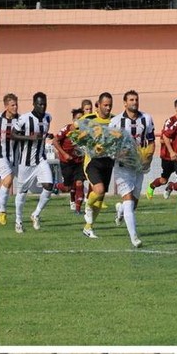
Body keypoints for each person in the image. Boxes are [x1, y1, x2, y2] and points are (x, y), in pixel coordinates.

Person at [110, 90, 155, 248]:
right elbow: (110, 144)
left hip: (138, 167)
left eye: (136, 99)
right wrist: (118, 153)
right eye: (131, 100)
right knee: (129, 202)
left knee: (133, 204)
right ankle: (134, 237)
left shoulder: (147, 119)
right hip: (122, 167)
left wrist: (148, 158)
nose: (134, 102)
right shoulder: (115, 122)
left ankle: (120, 209)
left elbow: (151, 141)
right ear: (124, 103)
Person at [11, 91, 53, 232]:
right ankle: (18, 221)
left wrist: (48, 135)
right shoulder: (24, 119)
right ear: (34, 104)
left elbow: (44, 133)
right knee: (22, 192)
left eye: (44, 104)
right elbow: (13, 134)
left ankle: (35, 214)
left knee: (49, 185)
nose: (43, 107)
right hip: (25, 162)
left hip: (41, 159)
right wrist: (30, 138)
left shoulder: (48, 118)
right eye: (40, 104)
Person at [81, 92, 115, 239]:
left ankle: (88, 227)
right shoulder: (88, 119)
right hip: (93, 162)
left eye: (110, 105)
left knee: (100, 201)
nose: (108, 108)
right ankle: (87, 205)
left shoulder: (115, 120)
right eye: (105, 105)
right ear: (99, 105)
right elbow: (73, 131)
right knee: (99, 190)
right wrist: (89, 145)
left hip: (108, 161)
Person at [148, 97, 177, 199]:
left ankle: (172, 186)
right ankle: (151, 186)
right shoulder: (170, 122)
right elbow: (162, 139)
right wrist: (175, 142)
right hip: (167, 157)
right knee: (163, 180)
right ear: (176, 108)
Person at [52, 108, 86, 214]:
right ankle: (56, 186)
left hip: (79, 162)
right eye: (77, 119)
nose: (79, 121)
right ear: (73, 119)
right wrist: (64, 154)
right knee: (68, 187)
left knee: (79, 183)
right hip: (66, 162)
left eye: (81, 119)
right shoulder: (66, 129)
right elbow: (55, 141)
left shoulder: (85, 131)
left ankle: (78, 209)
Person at [0, 93, 20, 226]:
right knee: (8, 179)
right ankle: (3, 211)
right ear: (6, 106)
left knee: (5, 183)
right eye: (13, 105)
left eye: (16, 104)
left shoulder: (20, 120)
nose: (15, 107)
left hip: (14, 157)